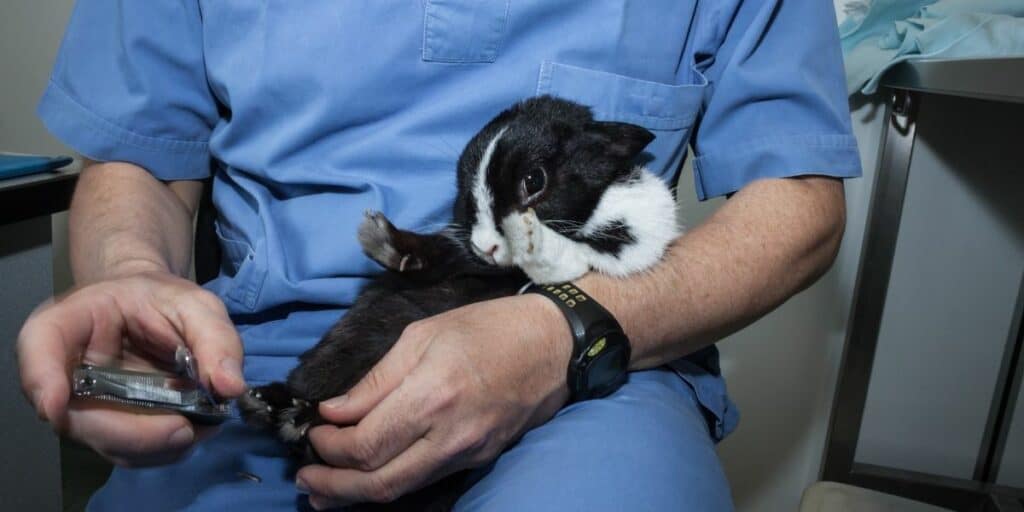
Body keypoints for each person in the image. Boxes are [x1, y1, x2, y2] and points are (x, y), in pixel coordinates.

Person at [19, 1, 860, 510]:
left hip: (589, 369)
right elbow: (142, 165)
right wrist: (133, 278)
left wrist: (558, 334)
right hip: (266, 361)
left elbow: (800, 203)